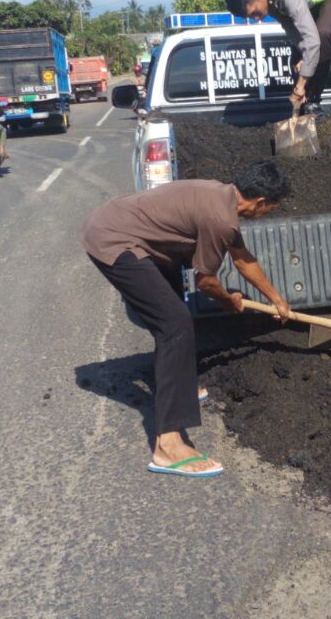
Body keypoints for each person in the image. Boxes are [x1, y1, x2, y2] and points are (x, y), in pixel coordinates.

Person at [82, 161, 293, 477]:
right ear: (260, 202)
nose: (266, 214)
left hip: (131, 232)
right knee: (175, 323)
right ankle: (168, 446)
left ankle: (175, 385)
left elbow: (242, 259)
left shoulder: (221, 195)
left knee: (170, 307)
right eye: (270, 209)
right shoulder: (220, 219)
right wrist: (228, 301)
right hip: (114, 239)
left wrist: (277, 300)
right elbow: (206, 282)